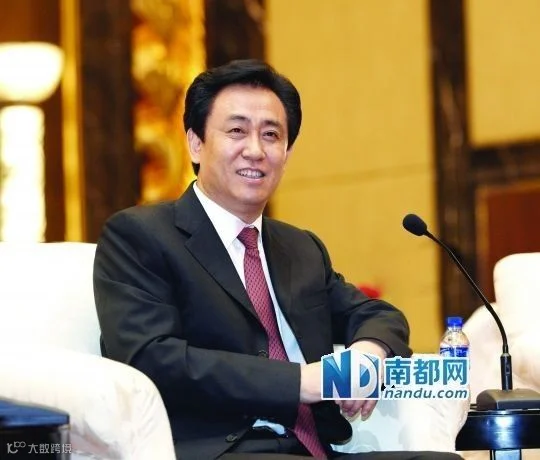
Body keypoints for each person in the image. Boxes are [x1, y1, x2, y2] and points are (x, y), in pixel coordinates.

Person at [93, 59, 462, 460]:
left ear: (286, 152)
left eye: (271, 135)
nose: (255, 150)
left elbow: (376, 314)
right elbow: (152, 358)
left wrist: (368, 352)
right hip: (220, 451)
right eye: (237, 131)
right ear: (195, 143)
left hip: (316, 449)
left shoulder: (299, 248)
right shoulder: (140, 236)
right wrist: (302, 382)